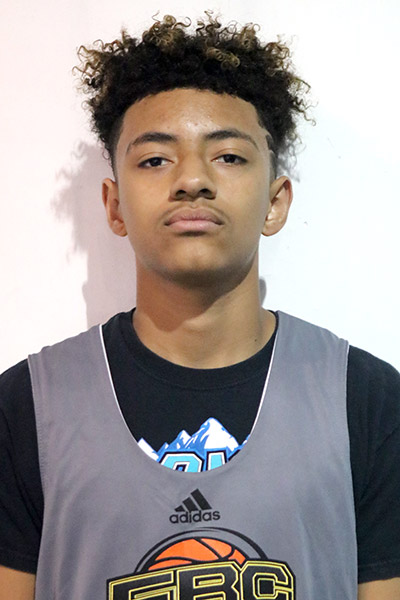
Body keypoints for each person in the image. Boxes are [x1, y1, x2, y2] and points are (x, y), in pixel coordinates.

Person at [0, 13, 399, 600]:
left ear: (275, 202)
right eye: (155, 159)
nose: (192, 179)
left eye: (229, 157)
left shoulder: (366, 400)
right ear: (114, 205)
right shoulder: (25, 408)